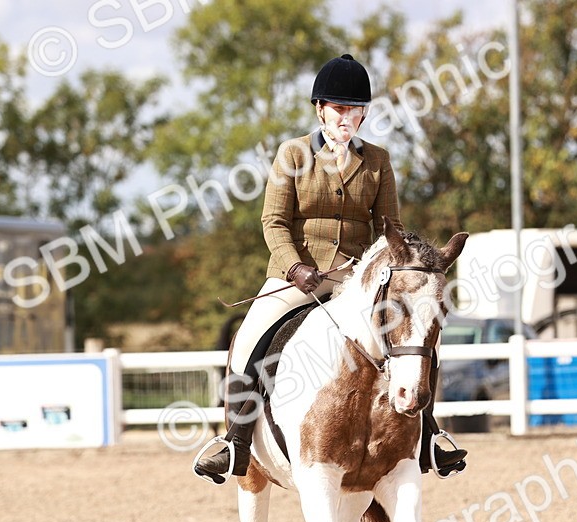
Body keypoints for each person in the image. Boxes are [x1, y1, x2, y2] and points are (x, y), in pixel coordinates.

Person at [194, 53, 466, 484]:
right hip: (298, 275)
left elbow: (389, 229)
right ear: (320, 109)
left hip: (359, 282)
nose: (347, 117)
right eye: (339, 108)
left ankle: (428, 435)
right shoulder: (293, 154)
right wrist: (296, 268)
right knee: (249, 337)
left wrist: (389, 272)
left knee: (416, 338)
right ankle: (235, 441)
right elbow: (274, 222)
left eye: (355, 110)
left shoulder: (378, 160)